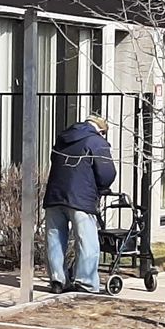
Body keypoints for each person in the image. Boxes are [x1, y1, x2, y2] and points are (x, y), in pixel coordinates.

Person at [44, 114, 116, 294]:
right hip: (80, 198)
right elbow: (107, 173)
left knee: (54, 239)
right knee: (87, 241)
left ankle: (57, 280)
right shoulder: (96, 141)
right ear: (101, 130)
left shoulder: (62, 138)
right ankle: (86, 283)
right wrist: (101, 188)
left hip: (54, 195)